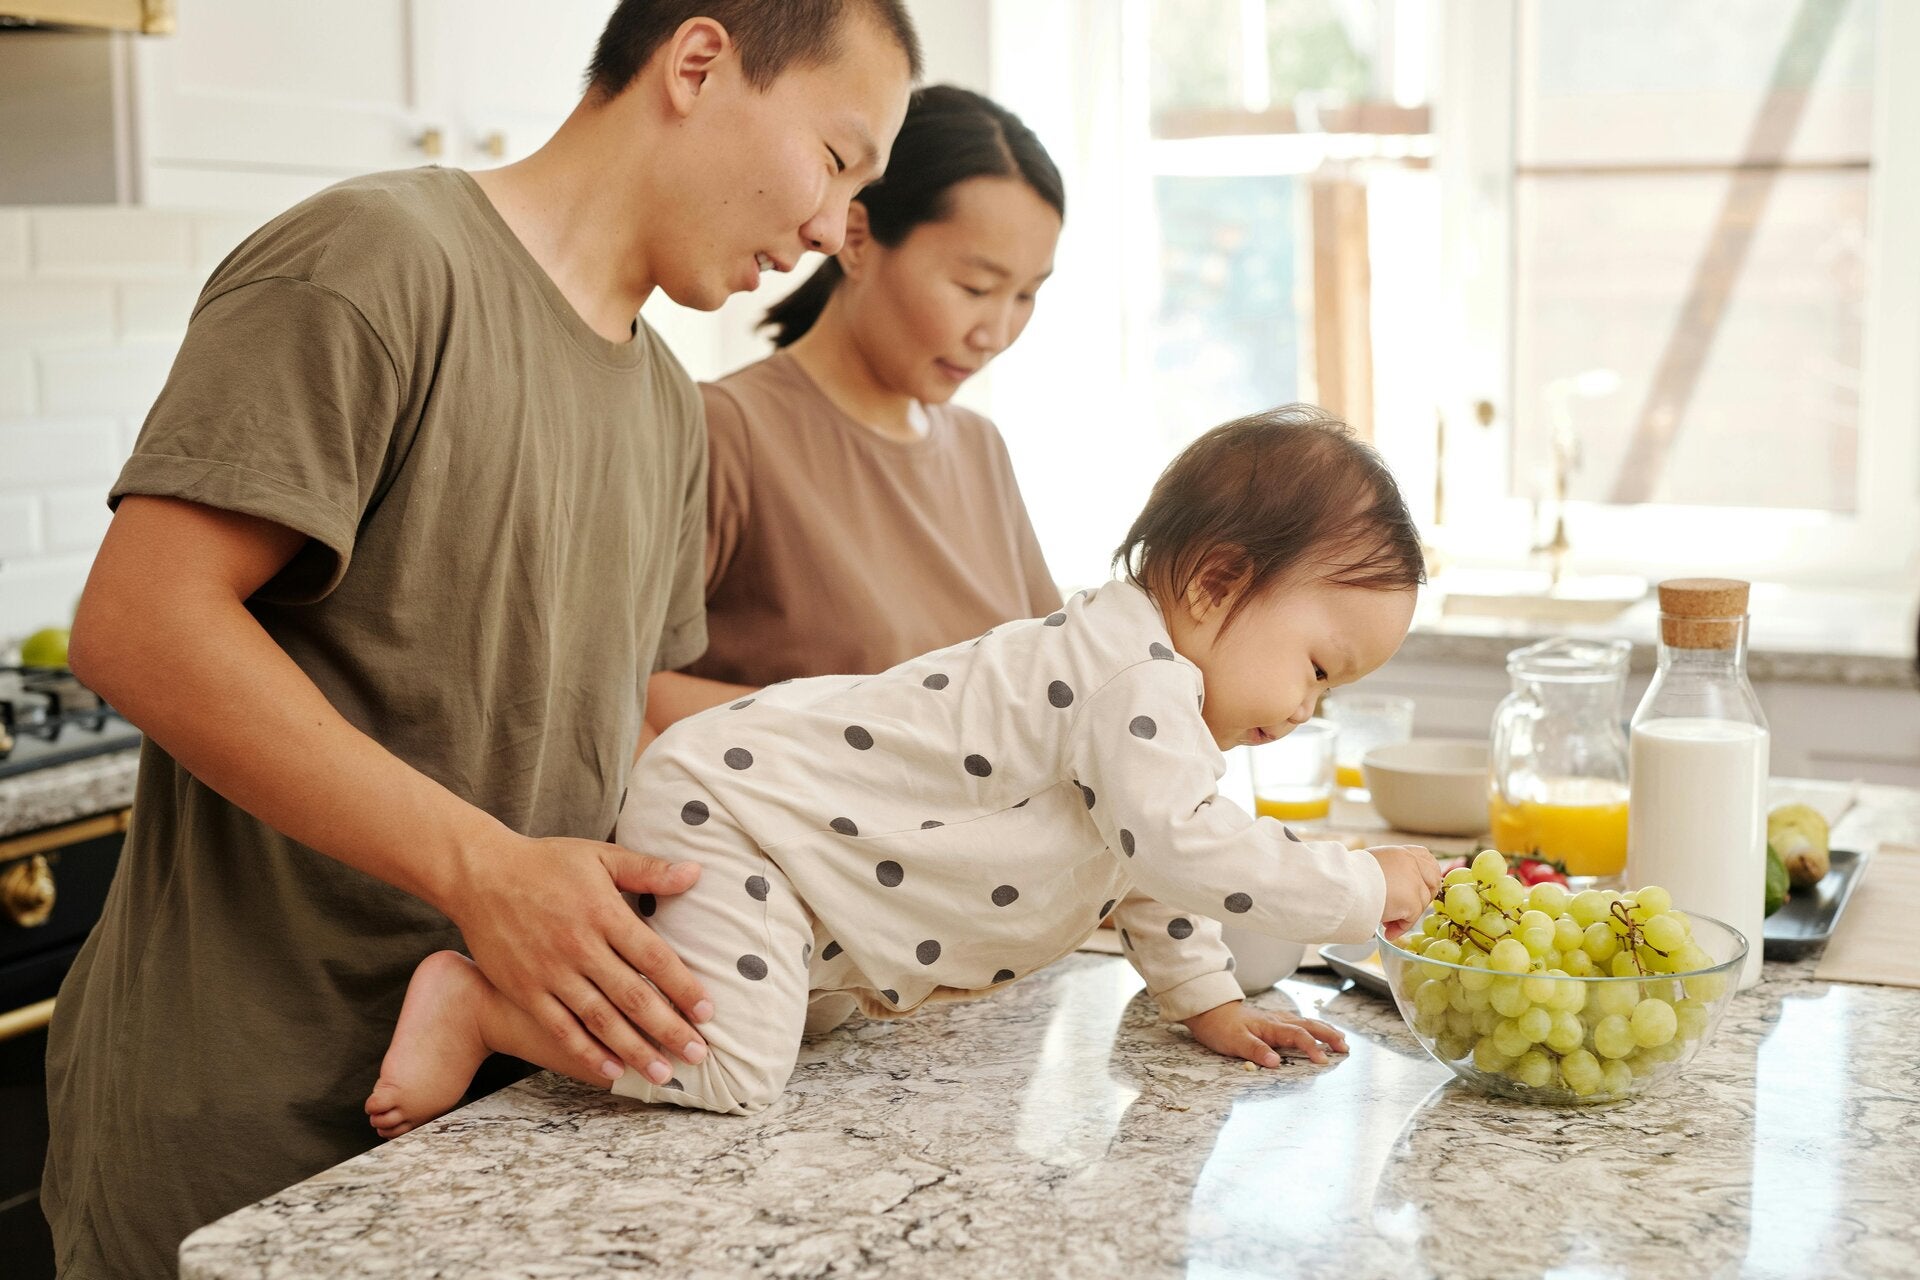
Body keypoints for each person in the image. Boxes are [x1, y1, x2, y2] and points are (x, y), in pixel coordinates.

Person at [43, 3, 918, 1275]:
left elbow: (607, 722)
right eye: (838, 162)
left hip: (489, 1131)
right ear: (697, 62)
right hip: (242, 1133)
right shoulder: (375, 261)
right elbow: (137, 625)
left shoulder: (669, 406)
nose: (838, 232)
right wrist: (483, 871)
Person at [365, 405, 1445, 1129]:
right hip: (743, 815)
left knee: (789, 1019)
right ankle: (479, 1006)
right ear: (1214, 583)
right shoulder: (1132, 679)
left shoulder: (1155, 703)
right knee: (736, 1068)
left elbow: (1149, 866)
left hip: (800, 856)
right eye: (1315, 666)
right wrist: (1360, 883)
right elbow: (1182, 843)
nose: (1308, 708)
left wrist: (1206, 1000)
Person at [643, 84, 1065, 734]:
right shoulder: (728, 431)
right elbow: (624, 688)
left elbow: (1053, 681)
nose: (997, 332)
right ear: (859, 241)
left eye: (1026, 296)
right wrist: (883, 727)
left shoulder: (980, 448)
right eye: (975, 287)